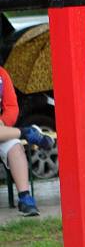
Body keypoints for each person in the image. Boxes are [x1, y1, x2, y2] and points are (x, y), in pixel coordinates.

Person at [0, 65, 53, 216]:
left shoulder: (2, 74)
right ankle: (27, 132)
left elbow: (11, 107)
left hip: (2, 128)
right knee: (15, 138)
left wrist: (3, 122)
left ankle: (25, 198)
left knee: (15, 147)